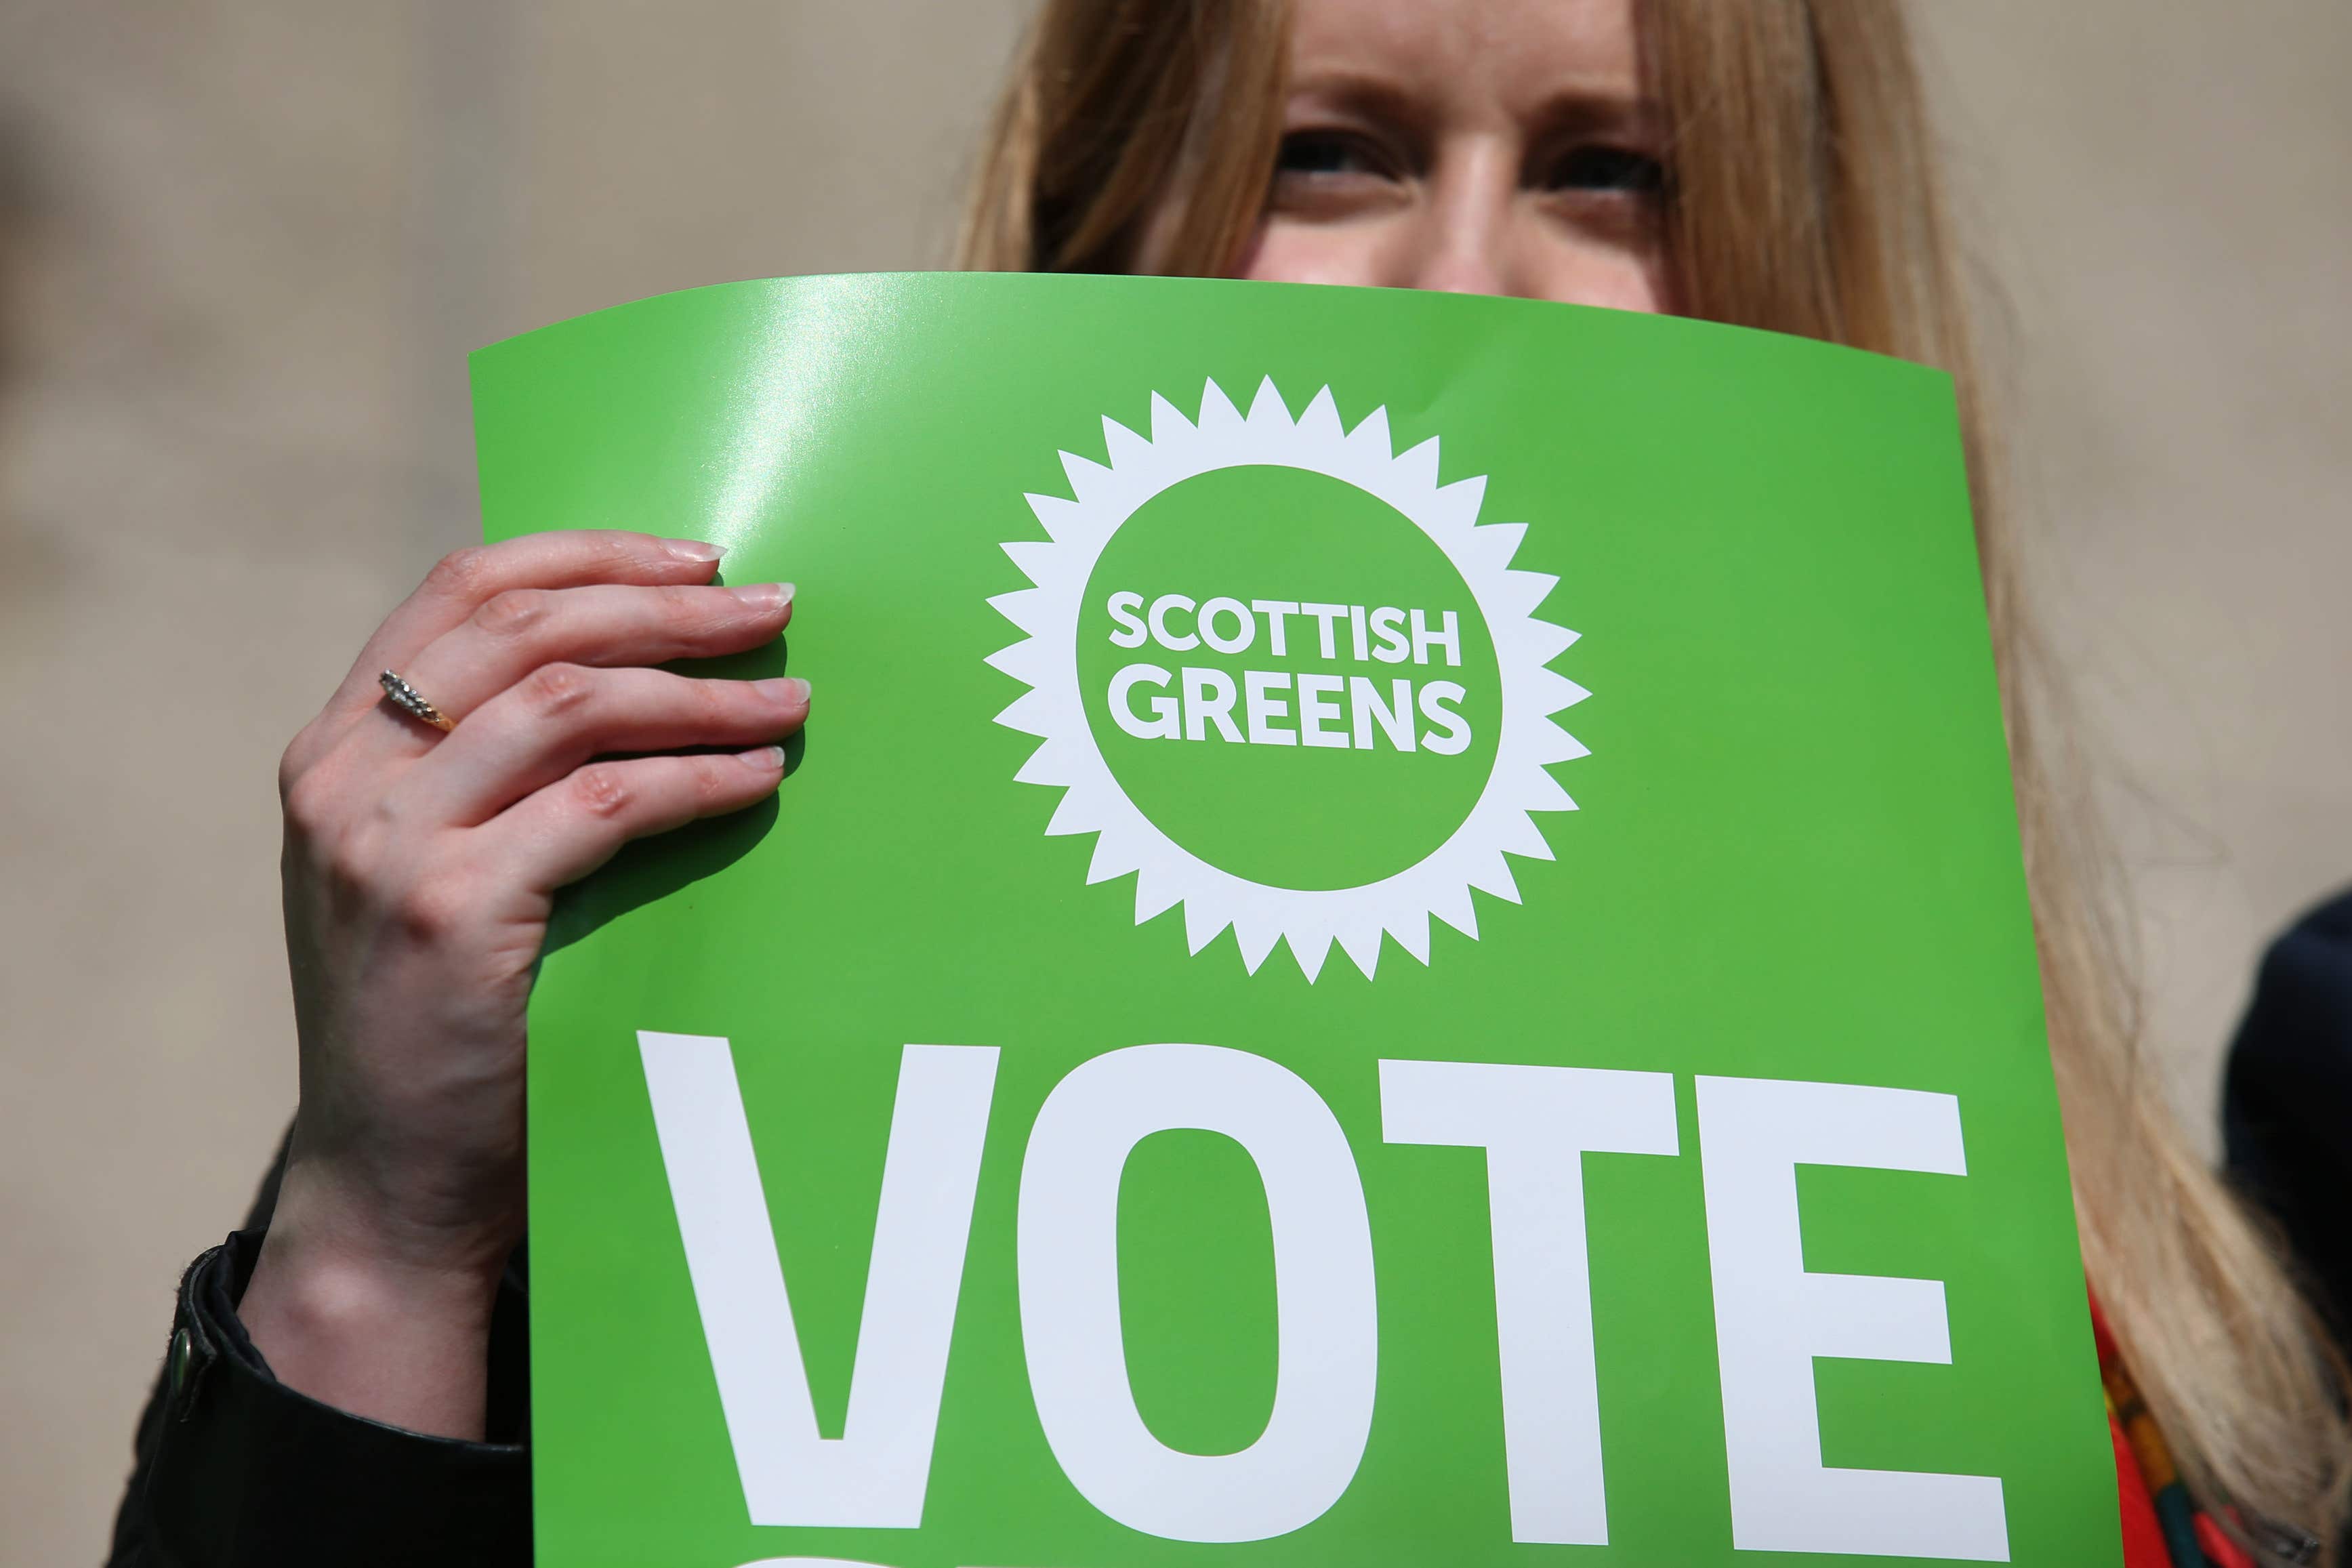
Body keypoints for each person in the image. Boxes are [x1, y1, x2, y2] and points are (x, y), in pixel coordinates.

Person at [107, 1, 2352, 1564]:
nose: (1461, 284)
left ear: (1811, 280)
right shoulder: (712, 1144)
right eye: (1329, 150)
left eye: (1616, 175)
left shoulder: (2161, 1318)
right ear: (1110, 227)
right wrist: (381, 1244)